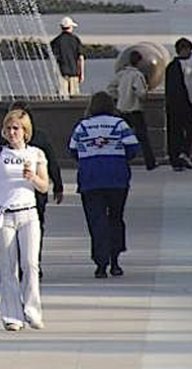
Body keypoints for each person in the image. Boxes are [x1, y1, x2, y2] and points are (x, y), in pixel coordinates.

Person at [0, 101, 63, 279]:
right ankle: (30, 260)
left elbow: (49, 161)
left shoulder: (32, 145)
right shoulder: (6, 142)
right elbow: (54, 162)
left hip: (32, 194)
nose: (12, 132)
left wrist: (53, 184)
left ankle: (30, 261)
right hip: (10, 198)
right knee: (33, 230)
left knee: (32, 230)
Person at [0, 108, 49, 331]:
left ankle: (32, 310)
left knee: (30, 264)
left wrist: (34, 177)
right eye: (8, 128)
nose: (12, 132)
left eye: (16, 128)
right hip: (4, 213)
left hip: (28, 213)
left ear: (25, 131)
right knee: (9, 266)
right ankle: (12, 315)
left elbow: (44, 186)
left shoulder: (36, 154)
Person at [69, 91, 140, 278]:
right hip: (117, 179)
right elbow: (133, 148)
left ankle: (100, 264)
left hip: (90, 180)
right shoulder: (119, 124)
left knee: (96, 221)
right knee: (115, 219)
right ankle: (115, 261)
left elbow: (73, 150)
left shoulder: (82, 126)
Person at [107, 50, 156, 170]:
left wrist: (119, 97)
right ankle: (150, 162)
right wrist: (144, 94)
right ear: (139, 62)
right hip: (135, 110)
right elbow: (140, 93)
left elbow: (110, 88)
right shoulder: (137, 75)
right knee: (143, 138)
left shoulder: (121, 74)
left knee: (120, 138)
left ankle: (119, 161)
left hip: (121, 109)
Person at [165, 38, 192, 171]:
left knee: (175, 132)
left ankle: (175, 159)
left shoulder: (170, 67)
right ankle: (184, 153)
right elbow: (190, 88)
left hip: (172, 107)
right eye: (189, 50)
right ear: (184, 50)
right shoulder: (186, 67)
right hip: (184, 105)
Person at [49, 17, 84, 97]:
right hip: (74, 73)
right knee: (75, 99)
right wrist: (81, 74)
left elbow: (53, 58)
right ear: (70, 27)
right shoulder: (75, 40)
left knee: (62, 99)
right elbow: (80, 58)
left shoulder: (56, 41)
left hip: (61, 73)